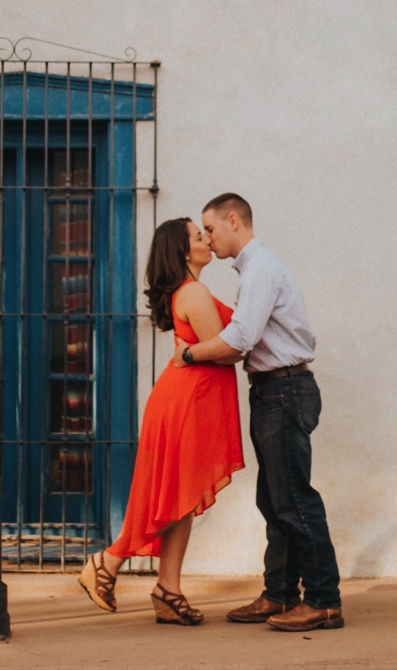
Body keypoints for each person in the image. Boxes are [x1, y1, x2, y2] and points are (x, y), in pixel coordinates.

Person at [174, 193, 343, 631]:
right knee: (274, 500)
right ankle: (280, 594)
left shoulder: (260, 270)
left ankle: (323, 600)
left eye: (210, 229)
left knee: (294, 500)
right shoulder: (255, 269)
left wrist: (189, 355)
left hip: (284, 389)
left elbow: (238, 340)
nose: (208, 239)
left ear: (234, 220)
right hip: (275, 390)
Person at [78, 216, 244, 625]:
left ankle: (168, 590)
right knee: (169, 495)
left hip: (187, 398)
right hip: (187, 401)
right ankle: (107, 560)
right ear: (183, 250)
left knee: (179, 497)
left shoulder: (190, 291)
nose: (205, 238)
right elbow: (225, 350)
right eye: (197, 235)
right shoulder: (195, 292)